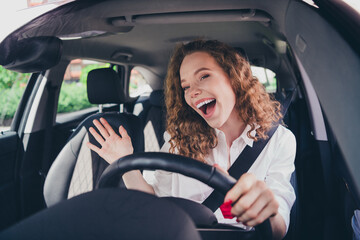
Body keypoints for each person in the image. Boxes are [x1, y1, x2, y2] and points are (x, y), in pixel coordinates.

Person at [87, 39, 296, 240]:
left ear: (234, 77)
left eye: (204, 76)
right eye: (185, 87)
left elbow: (279, 226)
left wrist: (266, 211)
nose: (193, 92)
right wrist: (124, 163)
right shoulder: (177, 140)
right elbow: (154, 203)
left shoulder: (279, 140)